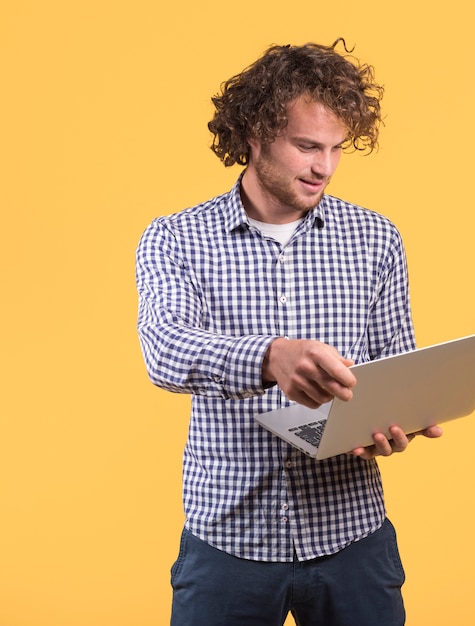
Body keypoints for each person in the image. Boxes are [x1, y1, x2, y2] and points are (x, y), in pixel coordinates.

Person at [136, 39, 442, 626]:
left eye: (335, 148)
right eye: (306, 146)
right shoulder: (175, 238)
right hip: (227, 540)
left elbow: (393, 365)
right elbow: (165, 349)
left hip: (351, 536)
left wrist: (395, 418)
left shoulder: (375, 238)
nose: (323, 166)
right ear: (254, 134)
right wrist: (270, 357)